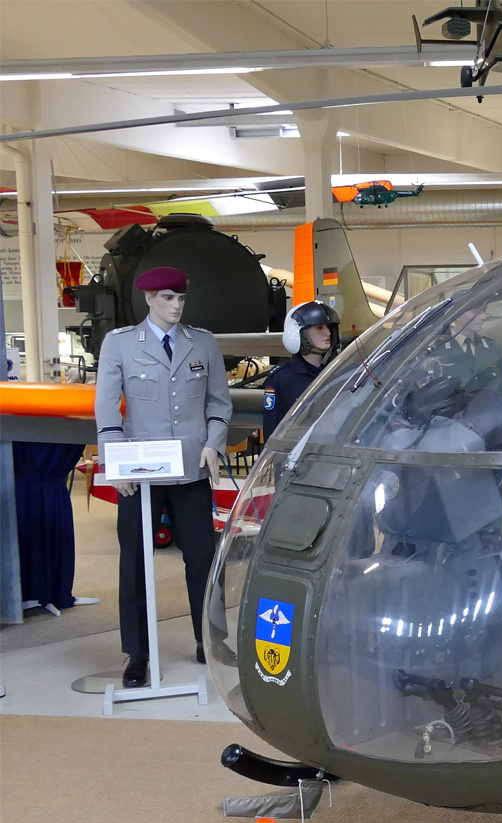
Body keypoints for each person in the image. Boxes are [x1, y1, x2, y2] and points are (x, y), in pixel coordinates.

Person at [94, 266, 232, 685]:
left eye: (181, 299)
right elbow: (106, 409)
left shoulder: (202, 343)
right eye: (168, 298)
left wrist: (214, 443)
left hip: (190, 470)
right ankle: (138, 653)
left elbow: (219, 403)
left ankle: (208, 640)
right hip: (140, 473)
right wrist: (112, 462)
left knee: (204, 561)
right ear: (149, 298)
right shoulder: (119, 345)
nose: (176, 306)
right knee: (134, 562)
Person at [263, 301, 338, 437]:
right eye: (319, 328)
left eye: (328, 327)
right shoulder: (282, 379)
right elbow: (272, 430)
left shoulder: (335, 374)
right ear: (299, 334)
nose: (328, 333)